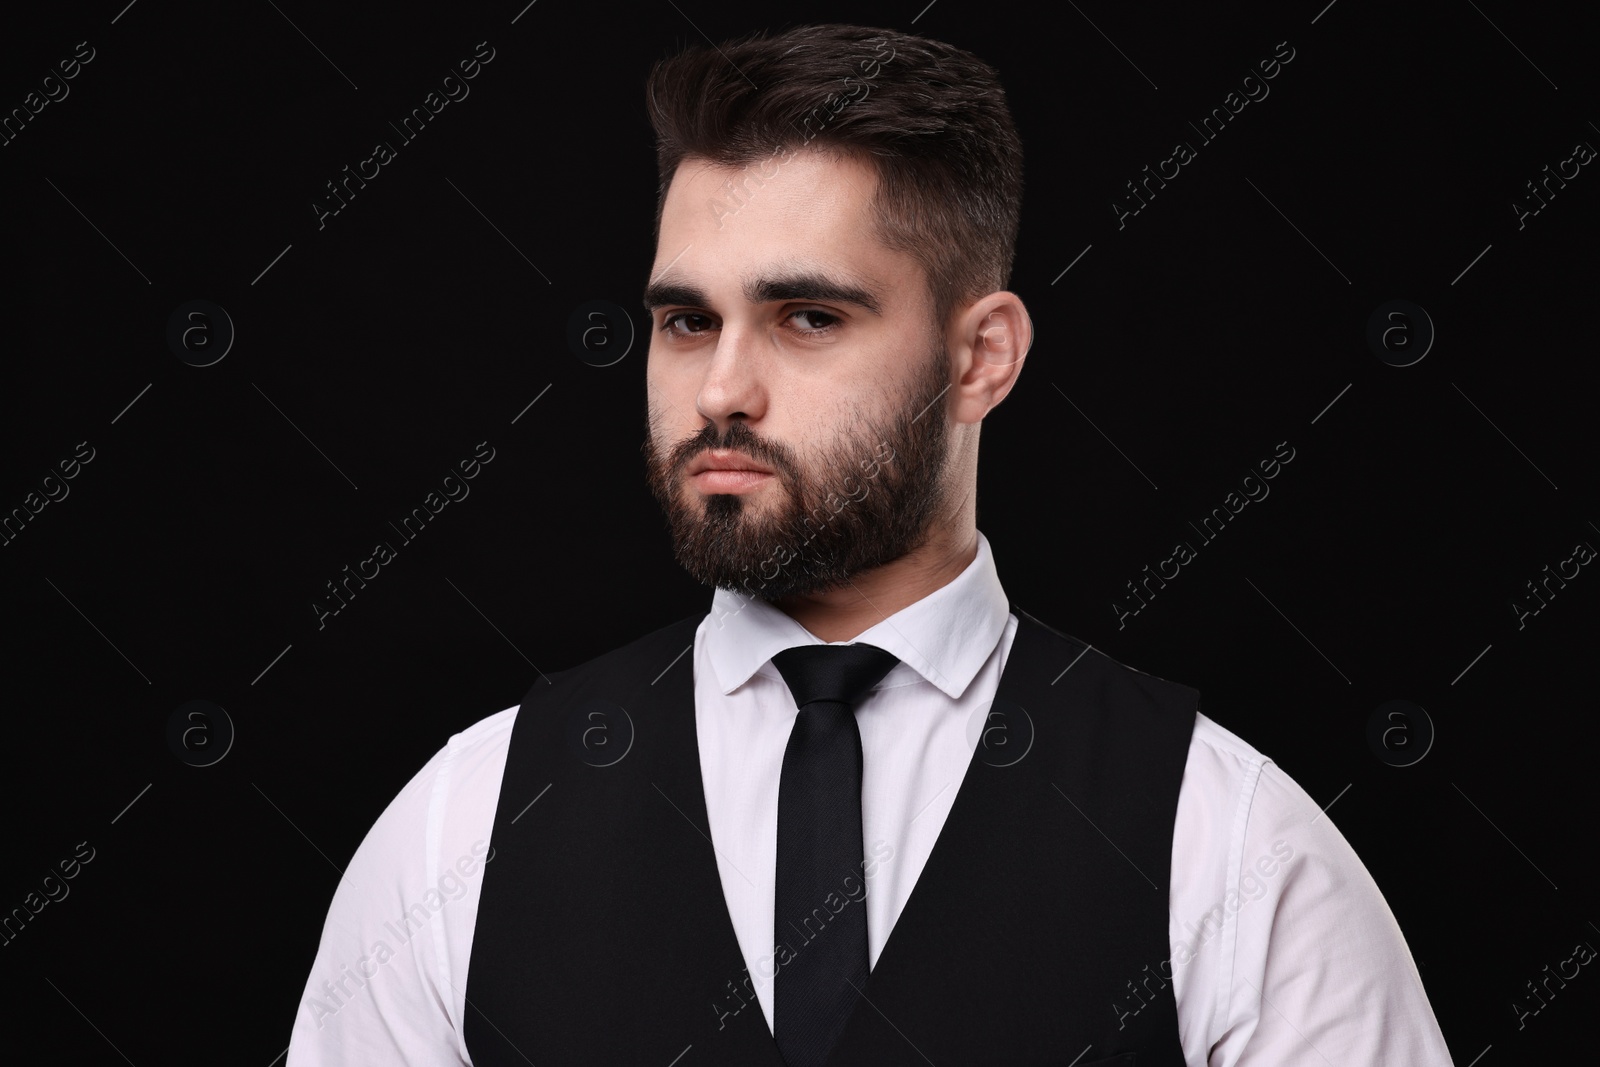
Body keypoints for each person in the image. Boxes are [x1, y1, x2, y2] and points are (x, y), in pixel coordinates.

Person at [287, 23, 1454, 1066]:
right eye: (687, 321)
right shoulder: (465, 829)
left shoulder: (1229, 841)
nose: (723, 390)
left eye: (807, 317)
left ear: (979, 357)